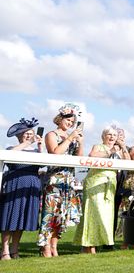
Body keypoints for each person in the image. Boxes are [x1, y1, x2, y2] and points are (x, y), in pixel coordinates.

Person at [73, 126, 131, 253]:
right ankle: (88, 246)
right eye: (109, 134)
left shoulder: (118, 151)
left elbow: (128, 162)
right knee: (93, 212)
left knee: (105, 216)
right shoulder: (98, 146)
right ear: (103, 136)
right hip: (95, 182)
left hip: (110, 185)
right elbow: (93, 155)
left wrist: (123, 148)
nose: (111, 137)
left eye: (114, 135)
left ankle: (99, 243)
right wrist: (111, 151)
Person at [38, 103, 84, 257]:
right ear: (60, 118)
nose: (70, 123)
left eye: (72, 121)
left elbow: (79, 158)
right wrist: (70, 138)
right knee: (50, 214)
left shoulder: (71, 137)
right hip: (54, 180)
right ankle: (45, 247)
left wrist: (80, 141)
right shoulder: (51, 134)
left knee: (62, 216)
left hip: (68, 180)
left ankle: (54, 247)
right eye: (68, 120)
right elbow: (55, 153)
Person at [0, 118, 43, 260]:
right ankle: (5, 249)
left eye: (31, 133)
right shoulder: (11, 149)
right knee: (9, 216)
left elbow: (42, 165)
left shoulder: (36, 151)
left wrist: (40, 147)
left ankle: (14, 249)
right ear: (19, 135)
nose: (29, 135)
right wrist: (26, 143)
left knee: (22, 218)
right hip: (15, 183)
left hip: (31, 184)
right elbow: (10, 156)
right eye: (25, 133)